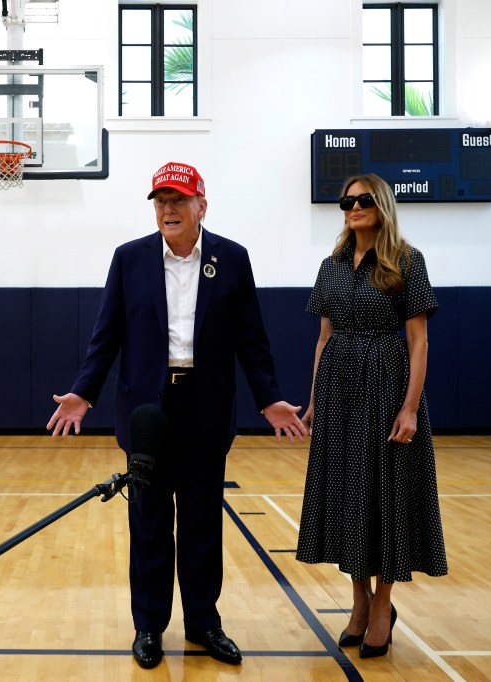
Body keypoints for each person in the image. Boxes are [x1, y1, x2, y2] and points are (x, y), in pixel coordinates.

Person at [47, 161, 308, 669]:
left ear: (200, 206)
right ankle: (148, 625)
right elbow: (107, 336)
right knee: (147, 523)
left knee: (202, 523)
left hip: (206, 410)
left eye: (178, 200)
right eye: (161, 201)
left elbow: (250, 340)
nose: (168, 209)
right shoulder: (130, 259)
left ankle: (204, 624)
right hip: (147, 412)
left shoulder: (232, 259)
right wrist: (84, 392)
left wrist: (268, 396)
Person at [295, 174, 448, 658]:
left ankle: (383, 604)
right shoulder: (331, 264)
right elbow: (323, 337)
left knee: (385, 493)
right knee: (347, 494)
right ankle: (358, 600)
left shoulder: (407, 260)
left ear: (381, 205)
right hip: (339, 387)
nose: (353, 207)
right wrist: (315, 398)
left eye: (363, 200)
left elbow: (419, 341)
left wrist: (409, 407)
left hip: (386, 384)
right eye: (347, 201)